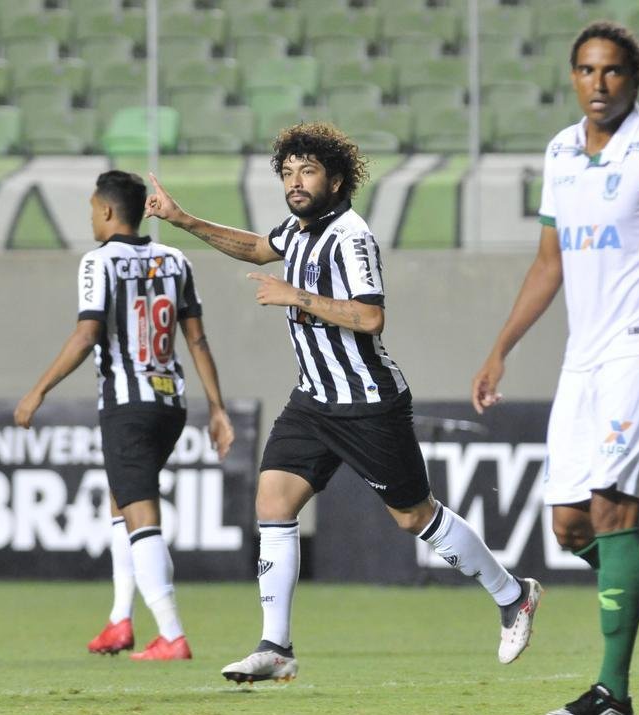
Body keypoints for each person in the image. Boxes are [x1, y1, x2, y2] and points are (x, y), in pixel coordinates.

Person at [145, 122, 542, 684]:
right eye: (287, 172)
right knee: (274, 501)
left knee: (412, 516)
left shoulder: (350, 236)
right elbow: (256, 247)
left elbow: (370, 315)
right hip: (313, 399)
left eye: (307, 171)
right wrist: (183, 220)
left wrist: (294, 295)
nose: (295, 182)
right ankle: (275, 646)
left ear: (336, 178)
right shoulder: (298, 229)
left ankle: (512, 595)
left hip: (367, 403)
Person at [471, 22, 639, 715]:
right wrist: (502, 347)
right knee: (569, 527)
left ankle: (612, 693)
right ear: (572, 77)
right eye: (586, 70)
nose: (598, 83)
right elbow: (548, 263)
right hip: (581, 356)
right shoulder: (560, 151)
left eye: (612, 71)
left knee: (615, 512)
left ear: (634, 79)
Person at [14, 170, 234, 662]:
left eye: (93, 208)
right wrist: (216, 406)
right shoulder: (175, 260)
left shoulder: (99, 263)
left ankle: (172, 633)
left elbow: (86, 334)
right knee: (122, 500)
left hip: (126, 404)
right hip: (169, 401)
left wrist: (37, 391)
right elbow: (196, 339)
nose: (90, 216)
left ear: (108, 211)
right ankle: (120, 621)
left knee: (139, 511)